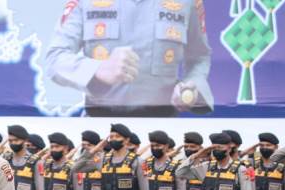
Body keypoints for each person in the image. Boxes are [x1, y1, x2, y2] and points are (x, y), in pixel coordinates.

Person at [46, 0, 213, 117]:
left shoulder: (187, 2)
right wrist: (97, 69)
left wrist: (192, 86)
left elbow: (199, 56)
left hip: (164, 129)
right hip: (100, 126)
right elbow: (56, 57)